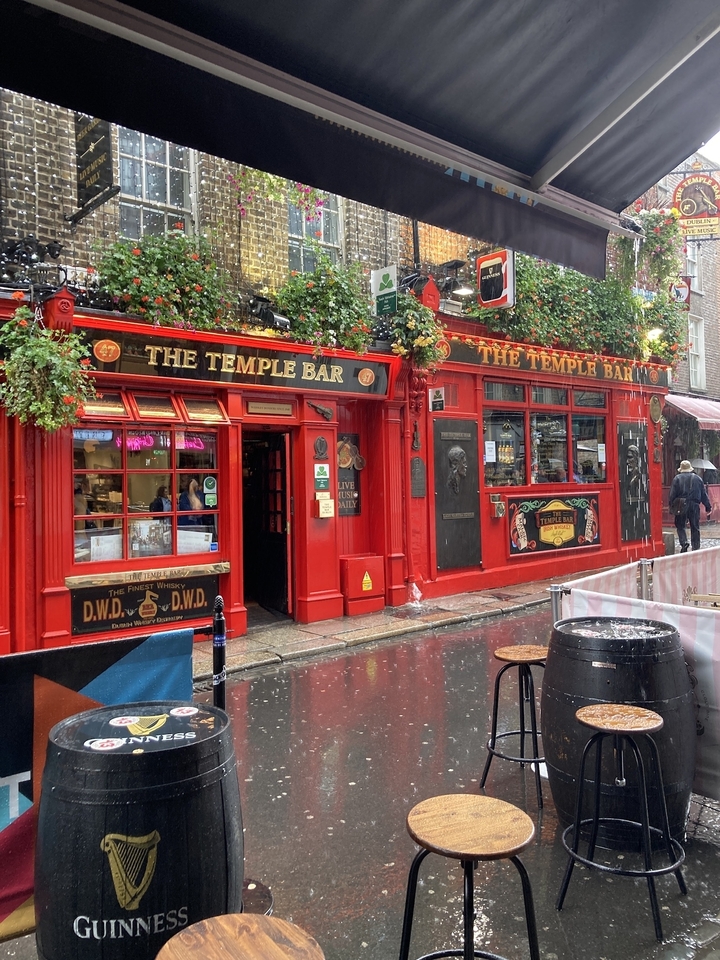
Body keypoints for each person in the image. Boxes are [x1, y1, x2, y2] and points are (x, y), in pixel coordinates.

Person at [668, 460, 712, 552]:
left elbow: (672, 494)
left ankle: (684, 543)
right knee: (695, 526)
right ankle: (695, 547)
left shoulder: (677, 479)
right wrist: (708, 507)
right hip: (695, 505)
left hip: (681, 504)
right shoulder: (698, 478)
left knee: (680, 525)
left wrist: (671, 506)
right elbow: (703, 494)